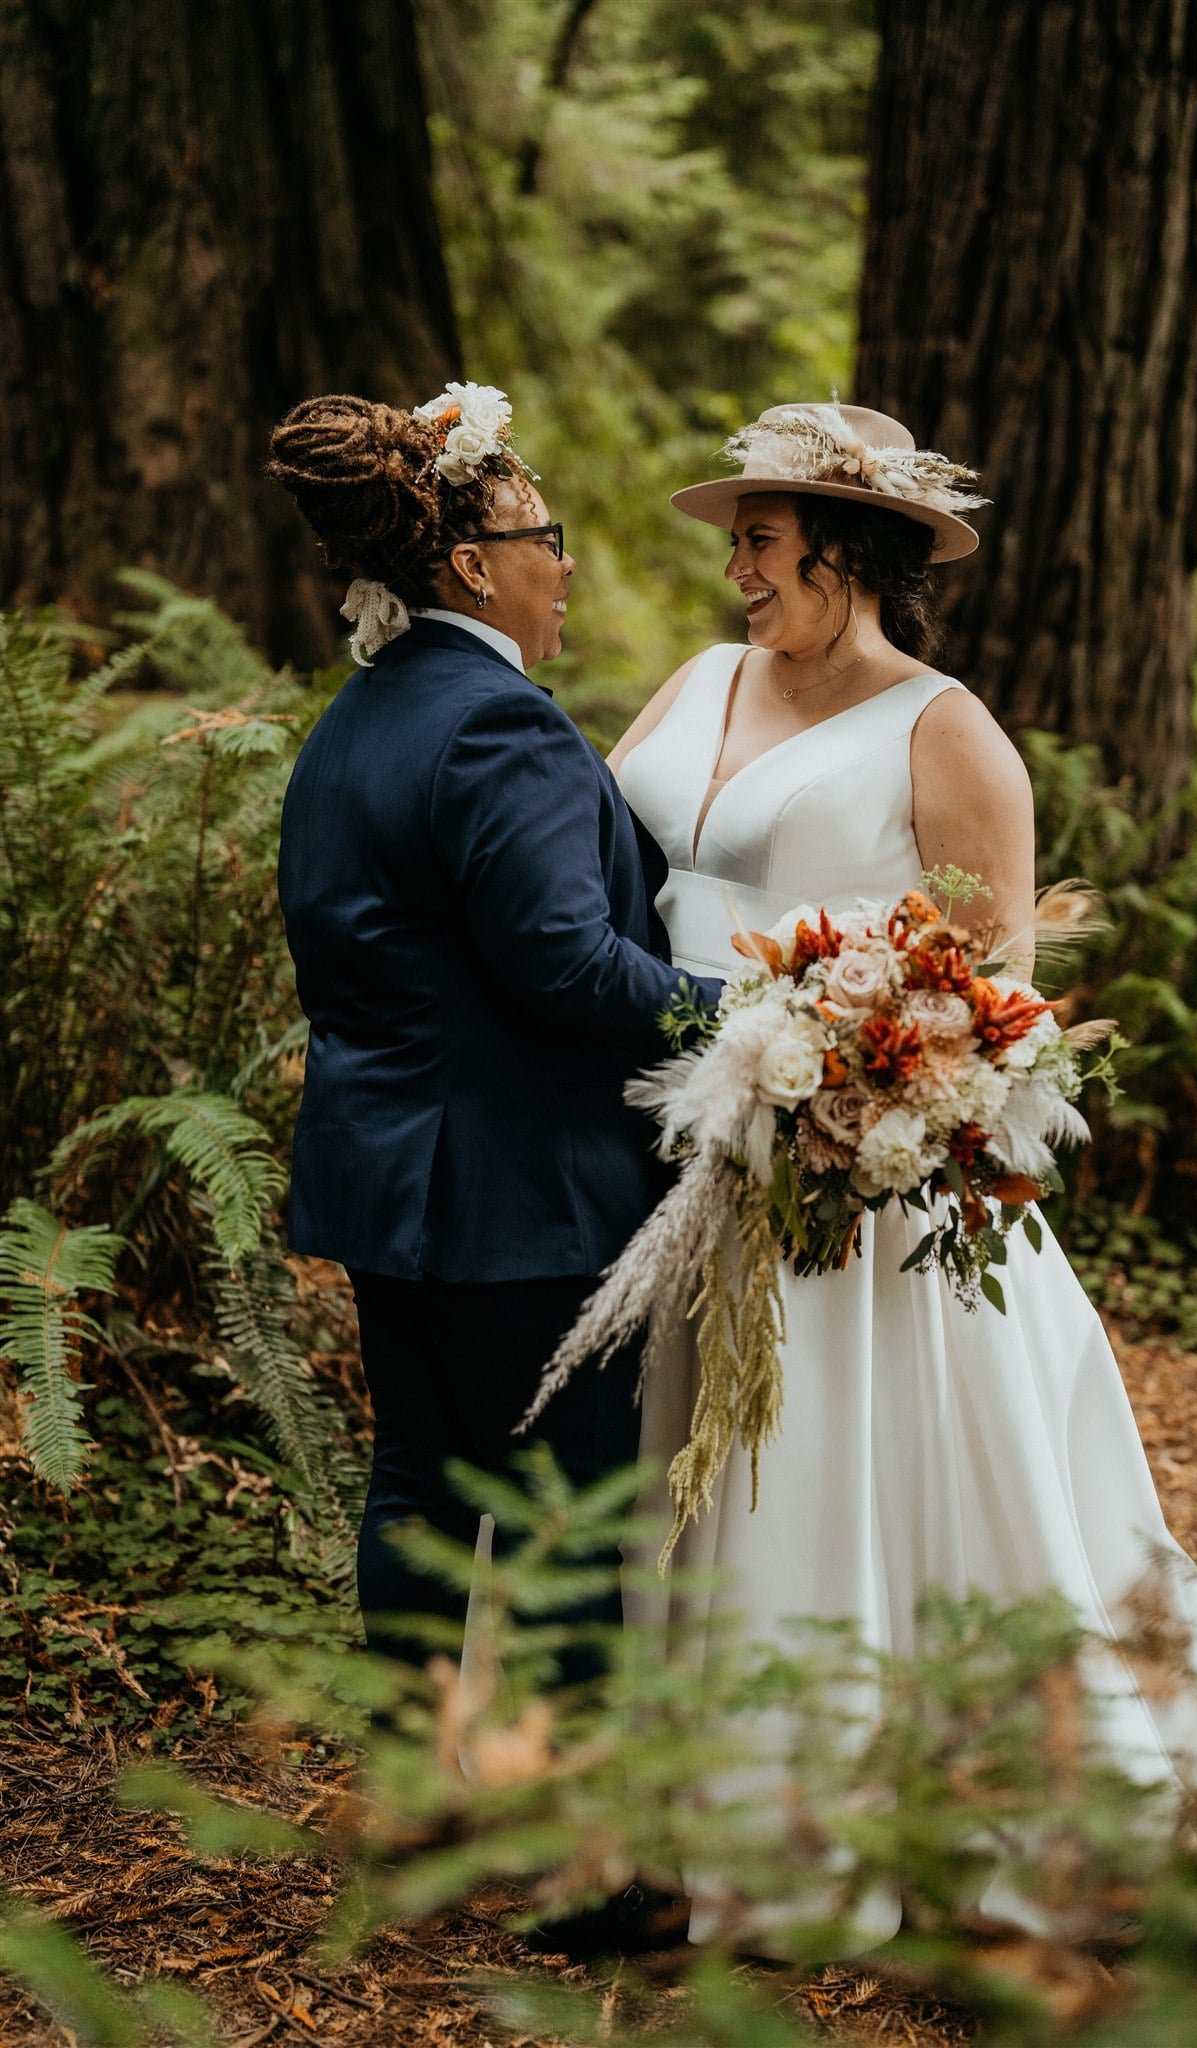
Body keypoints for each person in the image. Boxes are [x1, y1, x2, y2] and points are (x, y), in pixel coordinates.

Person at [610, 400, 1197, 1940]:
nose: (735, 567)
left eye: (758, 537)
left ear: (846, 546)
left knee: (825, 1463)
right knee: (677, 1467)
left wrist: (840, 1096)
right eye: (739, 538)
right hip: (654, 1140)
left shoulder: (940, 727)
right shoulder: (694, 681)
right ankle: (664, 1797)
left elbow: (992, 997)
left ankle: (851, 1806)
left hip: (844, 1183)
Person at [268, 381, 719, 1678]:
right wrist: (755, 1014)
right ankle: (577, 1854)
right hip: (517, 1193)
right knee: (564, 1512)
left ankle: (417, 1790)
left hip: (382, 1177)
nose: (563, 564)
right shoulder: (503, 723)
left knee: (416, 1481)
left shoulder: (350, 725)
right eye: (544, 538)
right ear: (472, 565)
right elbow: (567, 966)